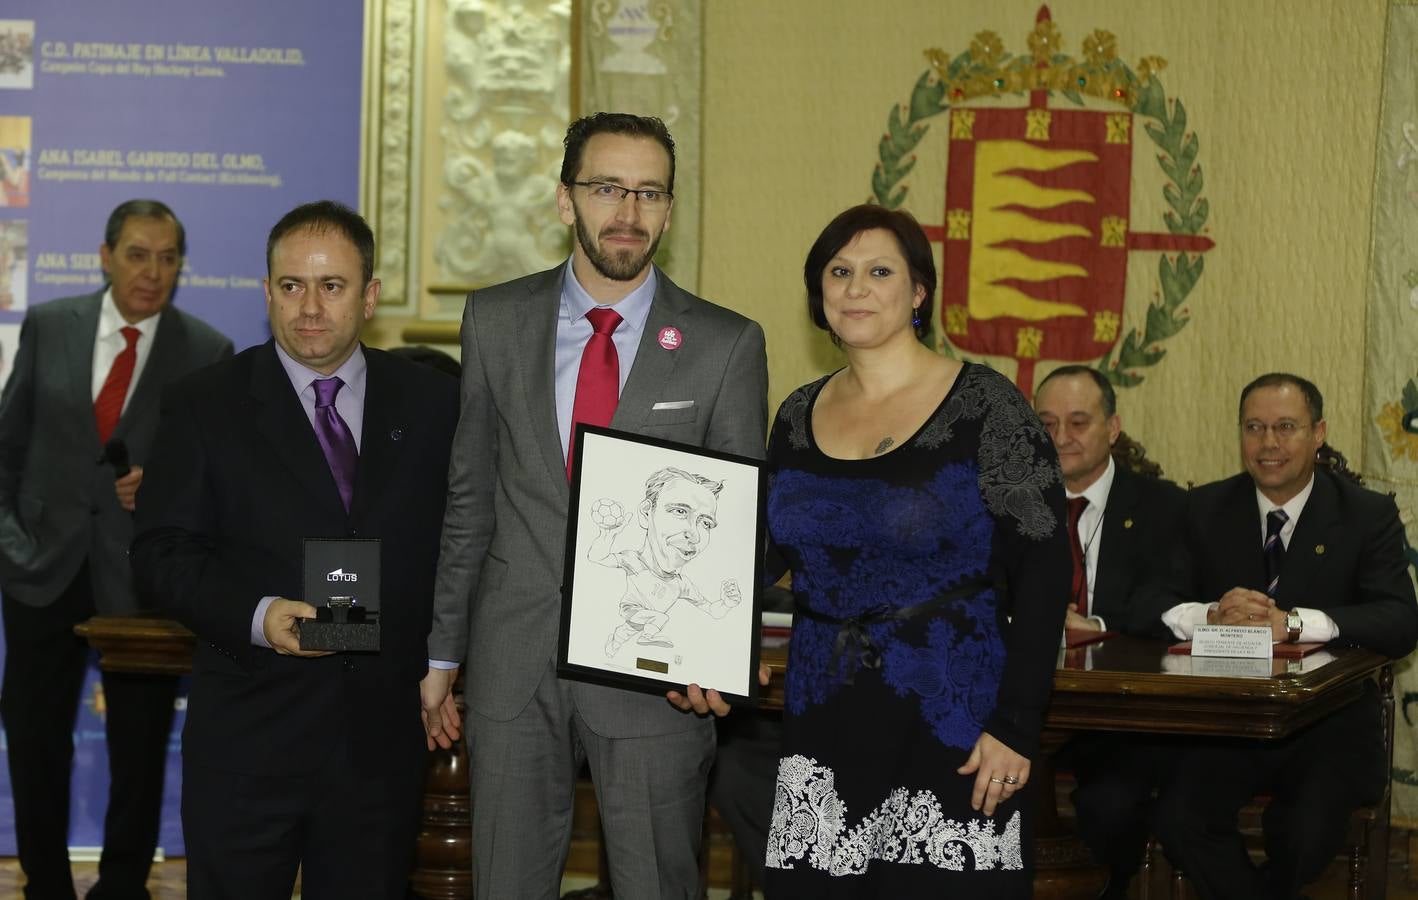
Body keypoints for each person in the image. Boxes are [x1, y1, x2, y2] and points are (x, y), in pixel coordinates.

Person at [419, 111, 768, 899]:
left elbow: (738, 527)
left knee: (656, 884)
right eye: (607, 188)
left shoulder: (725, 344)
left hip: (657, 679)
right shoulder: (495, 320)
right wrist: (443, 654)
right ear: (564, 200)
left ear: (671, 210)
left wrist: (717, 658)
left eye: (649, 193)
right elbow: (470, 497)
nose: (628, 212)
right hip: (513, 664)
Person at [130, 201, 459, 899]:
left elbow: (462, 544)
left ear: (369, 296)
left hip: (380, 742)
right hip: (250, 741)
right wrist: (260, 613)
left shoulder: (433, 404)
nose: (310, 307)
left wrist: (444, 659)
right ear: (267, 291)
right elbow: (160, 553)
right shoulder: (204, 403)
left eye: (332, 286)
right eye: (290, 286)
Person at [762, 204, 1070, 897]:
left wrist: (1016, 727)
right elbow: (758, 558)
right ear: (819, 293)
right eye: (838, 272)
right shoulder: (794, 412)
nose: (856, 288)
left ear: (919, 292)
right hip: (824, 722)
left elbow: (1048, 573)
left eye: (878, 271)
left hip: (953, 725)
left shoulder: (987, 405)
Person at [0, 199, 232, 900]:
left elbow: (211, 484)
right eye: (138, 254)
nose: (152, 272)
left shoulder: (206, 351)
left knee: (139, 740)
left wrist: (160, 492)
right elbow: (9, 446)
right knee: (36, 739)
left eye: (167, 258)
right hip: (41, 566)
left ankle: (125, 882)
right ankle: (45, 882)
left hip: (141, 577)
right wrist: (10, 542)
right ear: (105, 257)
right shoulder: (49, 324)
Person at [1135, 373, 1418, 900]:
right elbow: (1144, 603)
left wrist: (1294, 623)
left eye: (1286, 427)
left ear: (1318, 434)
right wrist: (1210, 615)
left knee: (1304, 834)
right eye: (1255, 427)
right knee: (1178, 817)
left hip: (1329, 724)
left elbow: (1400, 619)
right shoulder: (1203, 509)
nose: (1268, 443)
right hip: (1229, 721)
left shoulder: (1365, 514)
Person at [1032, 365, 1185, 898]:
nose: (1060, 438)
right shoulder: (1004, 503)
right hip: (1022, 707)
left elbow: (1168, 606)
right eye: (1046, 423)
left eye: (1078, 422)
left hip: (1122, 715)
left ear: (1113, 427)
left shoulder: (1166, 508)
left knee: (1110, 806)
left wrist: (1094, 628)